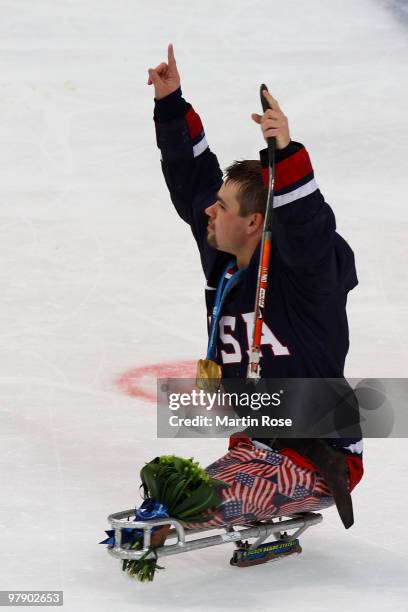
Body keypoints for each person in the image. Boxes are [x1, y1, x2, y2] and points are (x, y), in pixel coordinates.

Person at [147, 44, 363, 528]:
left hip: (319, 455)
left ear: (254, 223)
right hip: (255, 443)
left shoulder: (304, 278)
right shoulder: (226, 258)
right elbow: (194, 181)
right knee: (167, 489)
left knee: (188, 510)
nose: (209, 210)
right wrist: (171, 105)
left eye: (222, 207)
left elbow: (307, 227)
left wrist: (285, 154)